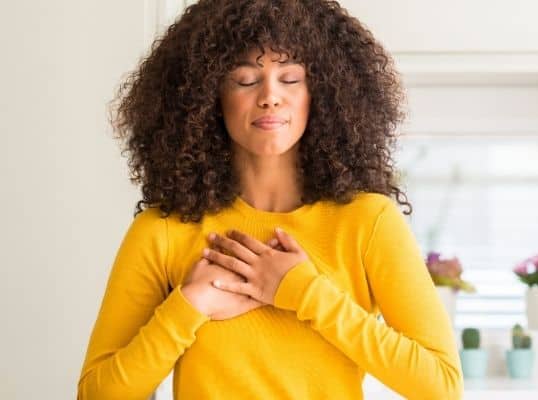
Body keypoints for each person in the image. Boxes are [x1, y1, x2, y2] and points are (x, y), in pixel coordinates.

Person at [77, 0, 463, 398]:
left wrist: (304, 292)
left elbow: (441, 386)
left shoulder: (369, 221)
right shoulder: (163, 231)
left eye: (291, 78)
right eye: (245, 80)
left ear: (323, 92)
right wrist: (188, 305)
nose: (270, 97)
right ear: (208, 95)